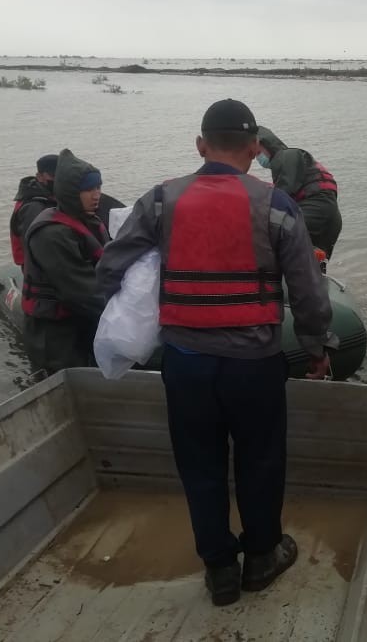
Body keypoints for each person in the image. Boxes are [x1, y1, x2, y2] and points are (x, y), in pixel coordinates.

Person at [96, 99, 337, 607]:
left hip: (185, 363)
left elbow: (110, 266)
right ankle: (262, 557)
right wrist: (316, 349)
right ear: (254, 149)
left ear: (201, 145)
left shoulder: (161, 200)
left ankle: (220, 571)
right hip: (255, 365)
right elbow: (310, 295)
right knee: (261, 460)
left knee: (200, 464)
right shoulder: (277, 206)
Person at [21, 149, 109, 374]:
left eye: (98, 187)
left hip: (78, 322)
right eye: (89, 189)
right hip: (53, 333)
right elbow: (82, 292)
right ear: (70, 193)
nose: (96, 194)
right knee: (66, 385)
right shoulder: (52, 235)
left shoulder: (87, 220)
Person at [256, 127, 342, 260]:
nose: (258, 158)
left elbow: (282, 195)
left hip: (315, 212)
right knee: (311, 263)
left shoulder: (285, 156)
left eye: (258, 153)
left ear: (267, 144)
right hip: (329, 217)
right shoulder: (290, 158)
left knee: (269, 236)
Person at [10, 153, 58, 267]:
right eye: (53, 175)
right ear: (39, 176)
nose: (57, 179)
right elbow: (34, 247)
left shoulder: (48, 195)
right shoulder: (33, 207)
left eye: (60, 175)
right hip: (34, 268)